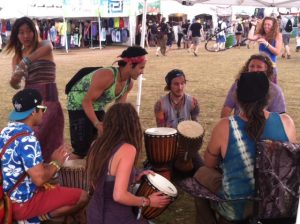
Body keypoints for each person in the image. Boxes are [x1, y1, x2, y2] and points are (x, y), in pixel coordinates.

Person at [194, 72, 296, 224]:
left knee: (200, 173)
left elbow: (209, 164)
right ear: (268, 96)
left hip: (237, 210)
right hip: (276, 207)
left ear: (237, 97)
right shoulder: (286, 122)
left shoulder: (224, 126)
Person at [0, 89, 89, 223]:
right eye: (43, 108)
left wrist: (49, 164)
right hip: (23, 203)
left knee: (56, 186)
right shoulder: (27, 140)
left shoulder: (6, 131)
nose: (44, 112)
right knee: (82, 197)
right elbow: (40, 179)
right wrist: (56, 163)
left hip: (6, 197)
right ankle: (35, 217)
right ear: (34, 111)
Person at [86, 103, 171, 223]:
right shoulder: (127, 149)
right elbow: (119, 196)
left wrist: (134, 176)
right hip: (116, 218)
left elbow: (100, 181)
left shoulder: (95, 144)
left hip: (94, 214)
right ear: (132, 124)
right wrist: (148, 201)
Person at [67, 46, 148, 159]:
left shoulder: (128, 84)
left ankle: (93, 171)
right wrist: (97, 124)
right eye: (141, 67)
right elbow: (86, 102)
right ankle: (63, 172)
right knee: (81, 150)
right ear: (130, 65)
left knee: (101, 142)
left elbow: (119, 109)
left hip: (97, 106)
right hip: (78, 104)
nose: (142, 72)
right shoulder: (107, 75)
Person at [5, 16, 64, 163]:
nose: (25, 36)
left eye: (28, 31)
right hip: (30, 100)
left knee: (49, 139)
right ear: (16, 35)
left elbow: (46, 49)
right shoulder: (17, 56)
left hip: (49, 98)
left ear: (34, 31)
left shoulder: (44, 45)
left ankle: (47, 175)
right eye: (21, 32)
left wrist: (25, 63)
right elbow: (16, 85)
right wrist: (14, 79)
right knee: (31, 137)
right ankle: (28, 173)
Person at [154, 69, 202, 172]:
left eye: (182, 83)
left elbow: (196, 128)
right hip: (169, 144)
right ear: (169, 85)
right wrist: (175, 148)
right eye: (176, 84)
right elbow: (161, 131)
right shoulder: (160, 104)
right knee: (163, 171)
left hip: (186, 144)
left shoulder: (193, 102)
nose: (180, 87)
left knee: (201, 169)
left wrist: (190, 148)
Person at [221, 54, 286, 118]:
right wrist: (228, 125)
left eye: (259, 67)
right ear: (247, 68)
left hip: (265, 126)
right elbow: (227, 108)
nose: (254, 70)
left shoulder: (275, 90)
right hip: (239, 125)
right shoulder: (237, 85)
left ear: (267, 70)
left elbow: (279, 116)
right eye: (251, 66)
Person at [248, 16, 282, 83]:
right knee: (259, 87)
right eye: (265, 24)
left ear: (273, 26)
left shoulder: (277, 35)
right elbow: (250, 37)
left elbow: (277, 52)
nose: (266, 26)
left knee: (271, 88)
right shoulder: (261, 35)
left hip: (271, 67)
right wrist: (253, 25)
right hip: (260, 66)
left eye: (269, 24)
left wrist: (267, 44)